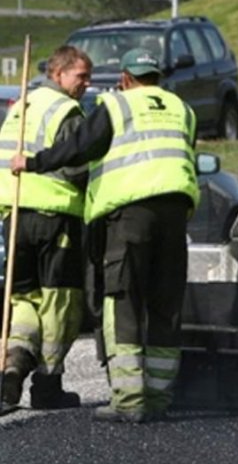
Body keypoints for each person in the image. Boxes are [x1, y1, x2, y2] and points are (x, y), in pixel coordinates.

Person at [10, 48, 199, 423]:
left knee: (123, 299)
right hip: (175, 213)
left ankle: (129, 402)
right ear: (157, 76)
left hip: (128, 216)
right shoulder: (183, 109)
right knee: (165, 302)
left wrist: (32, 163)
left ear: (126, 78)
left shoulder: (117, 106)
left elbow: (77, 147)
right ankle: (159, 398)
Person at [0, 46, 91, 409]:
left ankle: (11, 372)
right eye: (80, 76)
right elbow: (75, 166)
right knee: (60, 301)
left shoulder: (21, 106)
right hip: (55, 217)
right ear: (58, 73)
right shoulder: (67, 112)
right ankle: (48, 383)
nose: (86, 83)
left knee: (24, 299)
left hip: (16, 213)